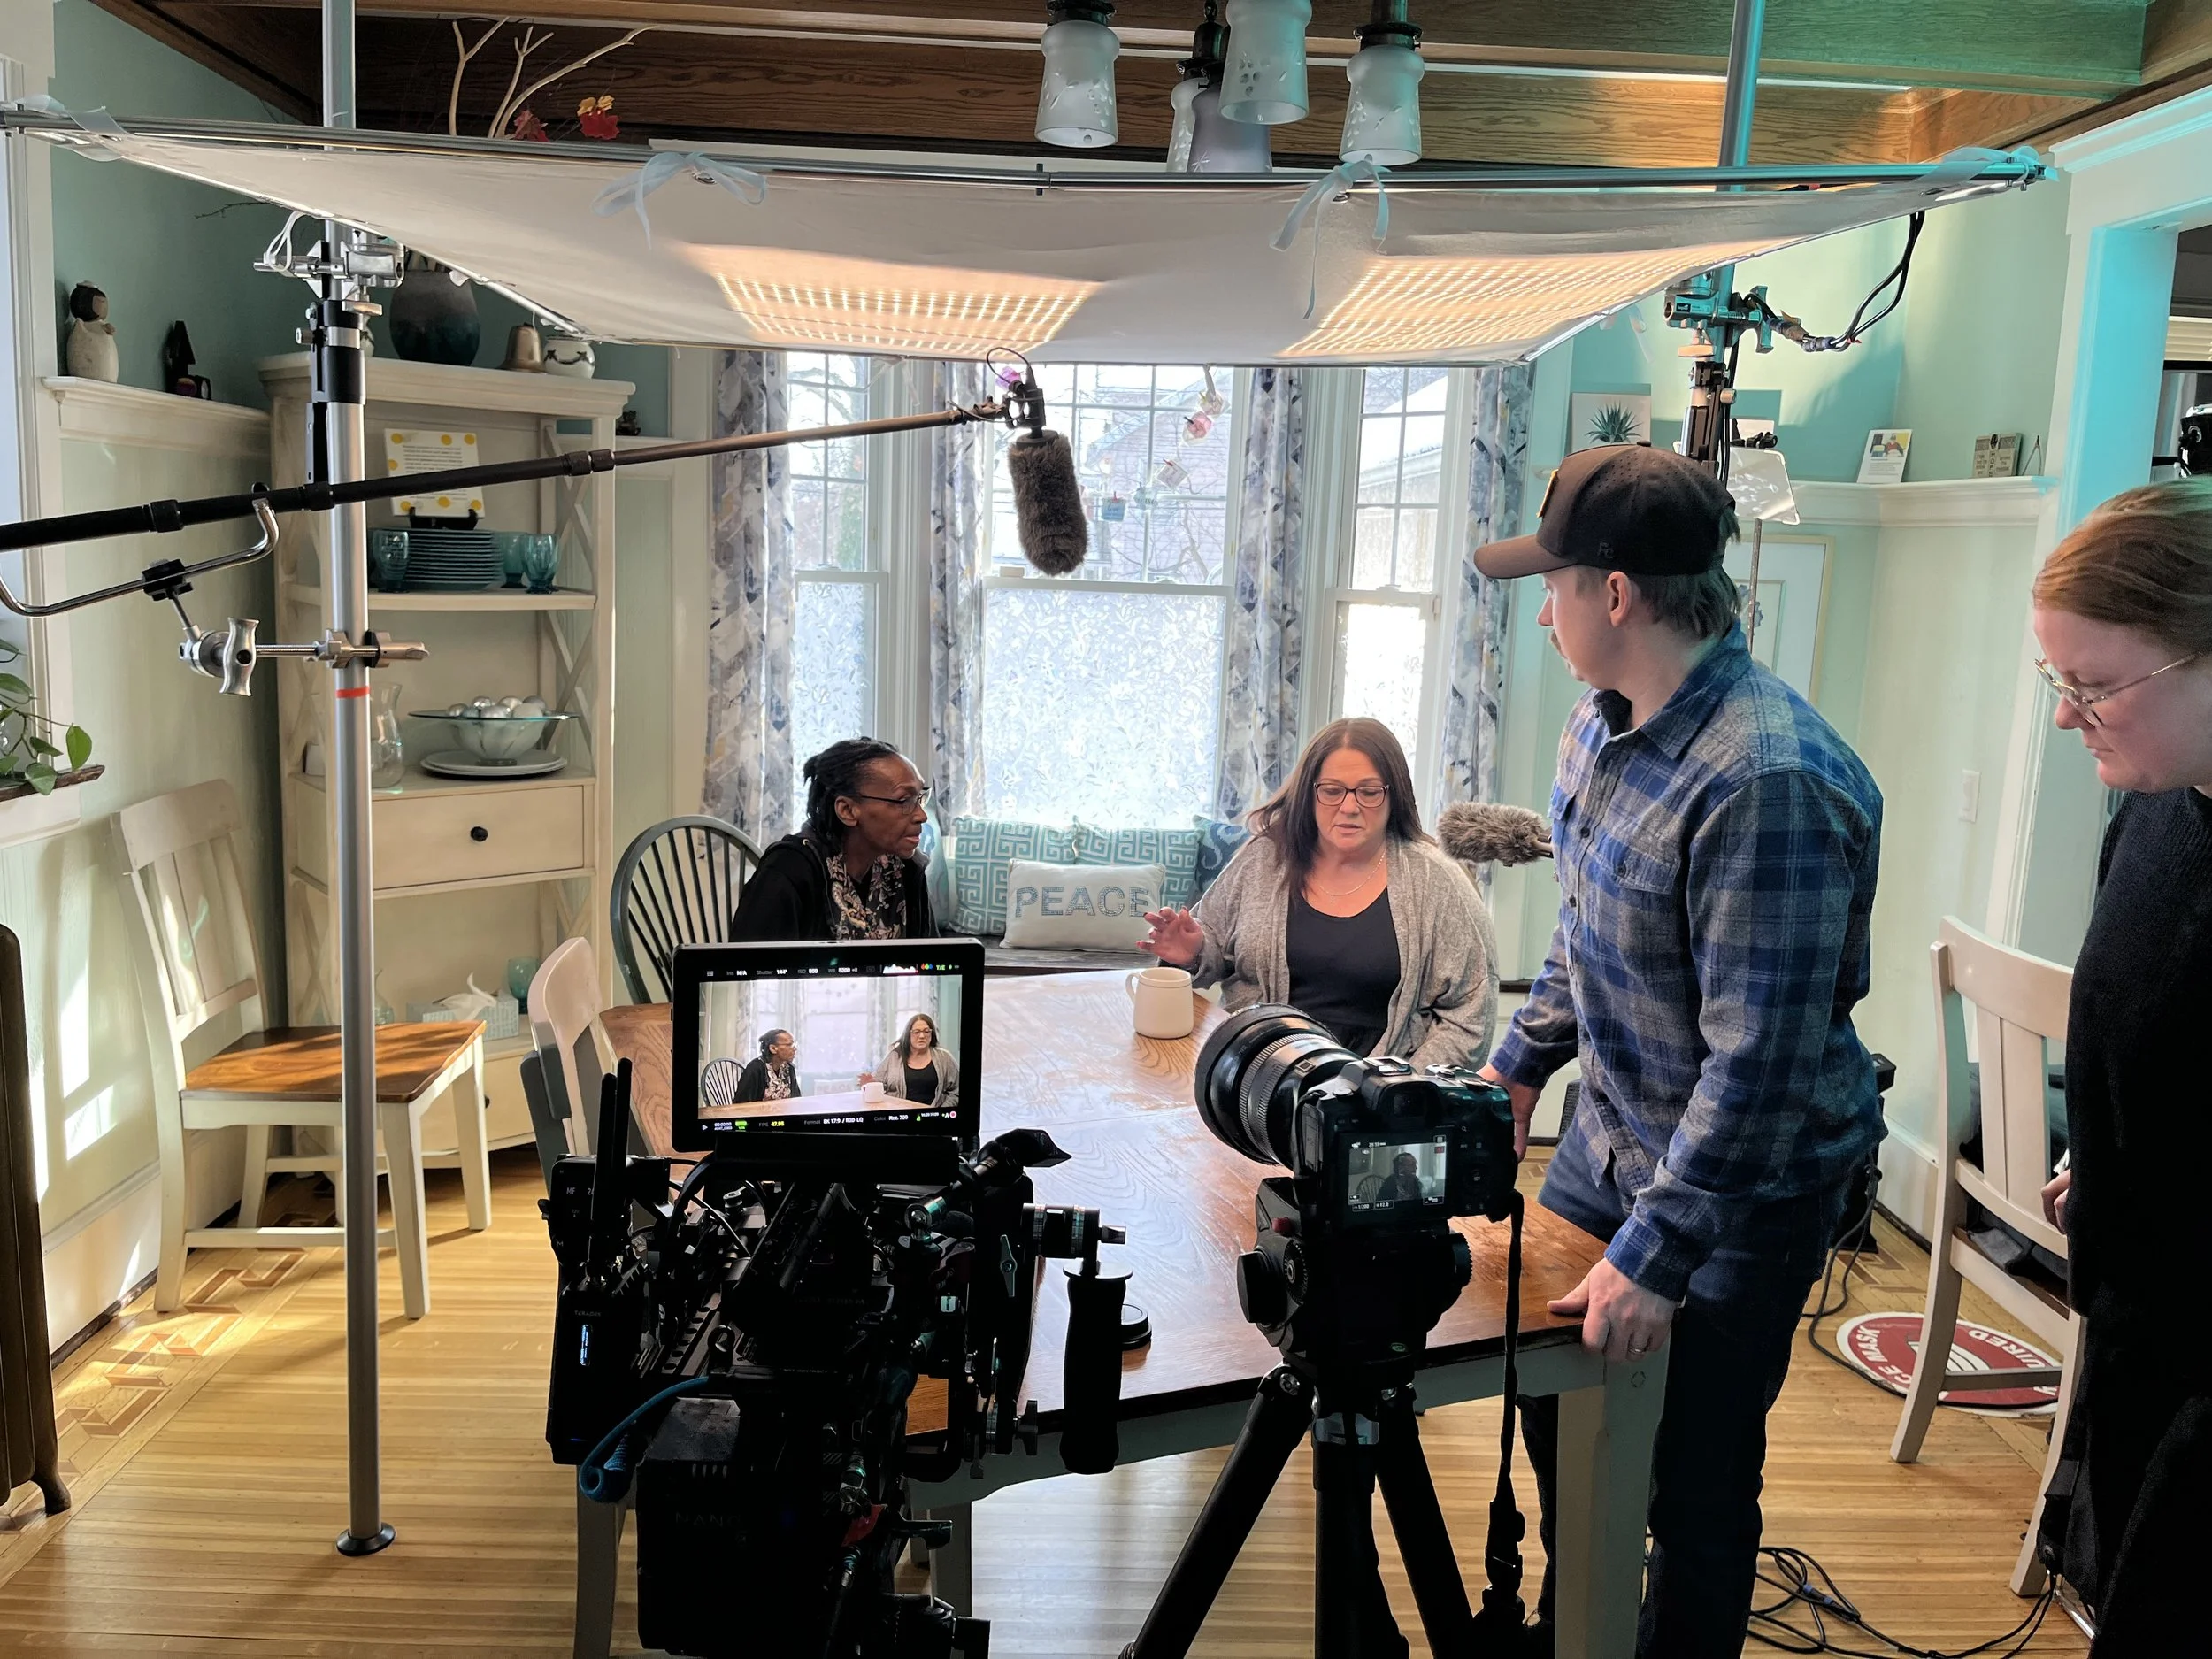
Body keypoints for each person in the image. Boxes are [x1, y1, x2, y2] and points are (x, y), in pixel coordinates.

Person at [1473, 444, 1884, 1655]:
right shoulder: (1599, 727)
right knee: (1561, 1404)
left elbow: (1757, 1067)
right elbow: (1585, 933)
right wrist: (1514, 1068)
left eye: (1553, 583)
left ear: (1617, 594)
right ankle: (1587, 1616)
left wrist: (1656, 1258)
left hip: (1743, 1189)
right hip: (1611, 1135)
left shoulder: (1768, 779)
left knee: (1693, 1478)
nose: (1539, 606)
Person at [2026, 479, 2212, 1649]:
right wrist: (2091, 1140)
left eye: (2092, 685)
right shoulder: (2152, 815)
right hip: (2137, 1320)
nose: (2065, 716)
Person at [1139, 717, 1496, 1066]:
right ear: (1308, 793)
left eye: (1369, 792)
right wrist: (1194, 952)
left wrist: (1397, 1093)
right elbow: (1214, 948)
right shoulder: (1262, 858)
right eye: (1332, 790)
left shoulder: (1439, 881)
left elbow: (1470, 1014)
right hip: (1259, 1083)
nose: (1350, 806)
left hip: (1383, 1108)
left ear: (1394, 796)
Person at [732, 738, 937, 941]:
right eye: (904, 800)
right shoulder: (791, 870)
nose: (921, 815)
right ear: (847, 810)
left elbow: (933, 964)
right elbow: (749, 968)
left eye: (920, 798)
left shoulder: (907, 868)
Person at [861, 1012, 962, 1111]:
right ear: (908, 1034)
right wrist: (869, 1084)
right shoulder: (894, 1056)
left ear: (932, 1033)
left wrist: (940, 1112)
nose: (922, 1036)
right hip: (900, 1117)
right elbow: (878, 1083)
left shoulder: (944, 1057)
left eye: (926, 1031)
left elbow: (956, 1091)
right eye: (916, 1032)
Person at [730, 1029, 799, 1103]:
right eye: (789, 1045)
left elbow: (796, 1099)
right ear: (773, 1048)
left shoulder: (789, 1068)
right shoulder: (756, 1068)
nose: (795, 1049)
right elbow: (741, 1104)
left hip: (785, 1113)